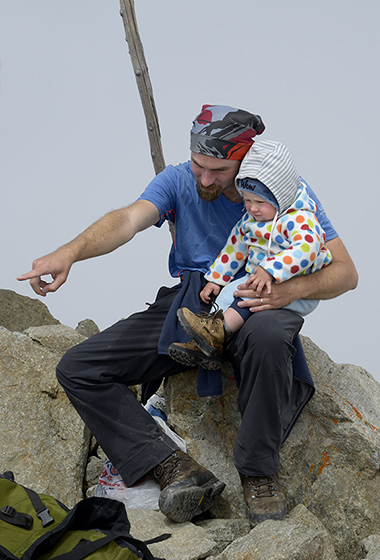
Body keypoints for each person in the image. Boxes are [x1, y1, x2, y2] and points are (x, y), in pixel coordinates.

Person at [18, 104, 358, 526]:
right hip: (190, 305)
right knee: (78, 367)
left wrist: (285, 290)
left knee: (270, 336)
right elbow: (127, 219)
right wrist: (70, 253)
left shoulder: (282, 190)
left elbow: (346, 272)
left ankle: (257, 472)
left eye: (218, 170)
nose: (205, 179)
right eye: (199, 165)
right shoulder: (179, 180)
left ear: (245, 160)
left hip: (260, 303)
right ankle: (172, 467)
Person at [168, 140, 332, 369]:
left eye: (260, 202)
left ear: (281, 197)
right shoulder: (251, 220)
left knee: (246, 295)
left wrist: (269, 270)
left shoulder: (300, 219)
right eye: (247, 200)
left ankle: (216, 335)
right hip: (258, 278)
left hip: (295, 286)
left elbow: (307, 249)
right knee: (227, 295)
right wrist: (216, 278)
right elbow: (234, 247)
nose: (252, 208)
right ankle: (208, 344)